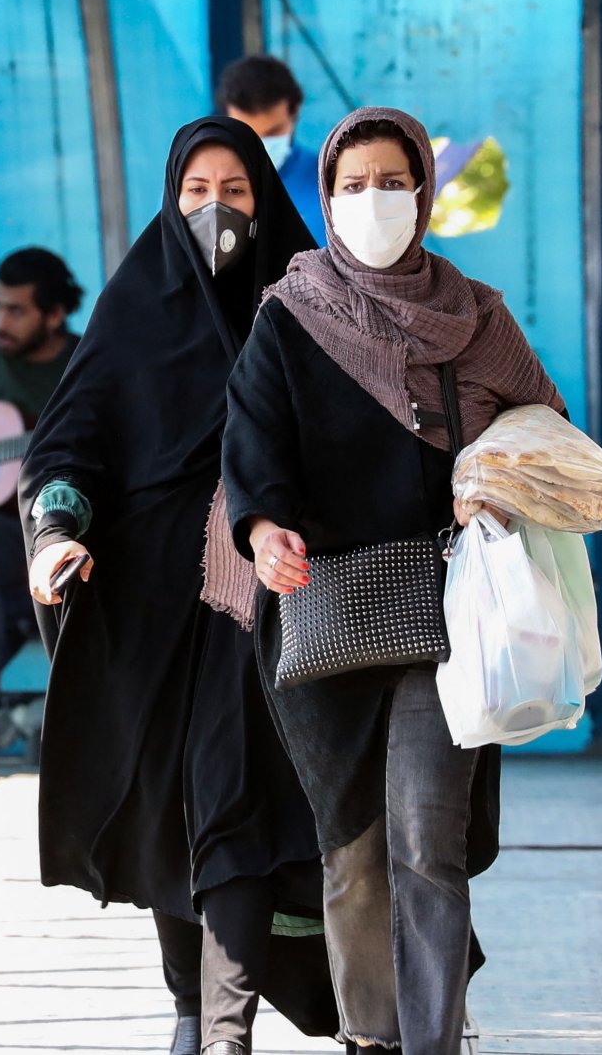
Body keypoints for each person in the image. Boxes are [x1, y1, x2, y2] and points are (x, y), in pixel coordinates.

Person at [221, 107, 566, 1054]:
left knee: (427, 841)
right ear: (326, 199)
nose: (375, 201)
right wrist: (261, 531)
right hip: (325, 613)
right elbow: (252, 446)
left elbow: (546, 427)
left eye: (392, 180)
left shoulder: (478, 316)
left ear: (424, 190)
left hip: (447, 610)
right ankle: (370, 1037)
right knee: (353, 852)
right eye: (352, 184)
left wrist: (492, 480)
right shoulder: (289, 318)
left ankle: (431, 1040)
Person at [20, 117, 342, 1055]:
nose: (215, 211)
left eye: (235, 192)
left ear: (265, 199)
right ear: (172, 199)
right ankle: (192, 1010)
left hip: (276, 602)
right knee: (177, 814)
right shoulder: (135, 315)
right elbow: (70, 445)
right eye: (196, 192)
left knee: (230, 798)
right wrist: (55, 532)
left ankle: (223, 1029)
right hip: (153, 607)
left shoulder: (310, 308)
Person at [0, 247, 83, 763]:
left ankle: (51, 713)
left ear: (54, 315)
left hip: (66, 530)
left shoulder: (84, 361)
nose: (1, 321)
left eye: (17, 310)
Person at [219, 54, 327, 246]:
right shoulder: (197, 187)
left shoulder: (328, 183)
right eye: (248, 134)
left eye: (273, 132)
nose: (260, 146)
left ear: (295, 111)